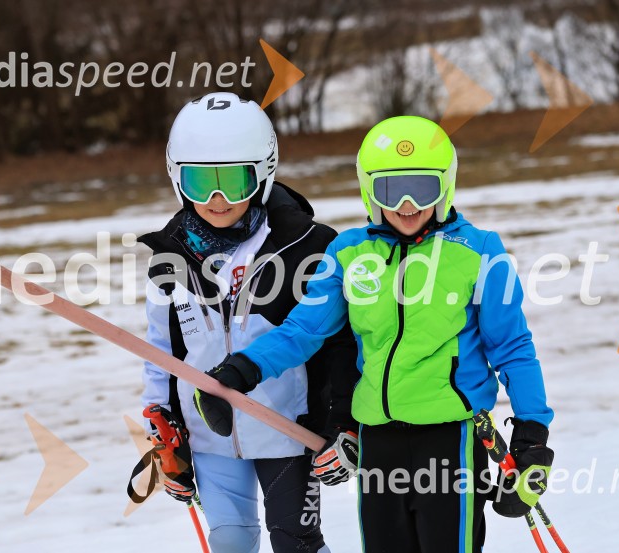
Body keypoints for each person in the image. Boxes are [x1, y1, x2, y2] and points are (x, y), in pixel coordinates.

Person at [194, 115, 555, 553]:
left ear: (445, 187)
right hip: (377, 442)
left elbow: (513, 349)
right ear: (370, 190)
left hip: (450, 439)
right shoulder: (349, 252)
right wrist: (240, 372)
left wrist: (532, 436)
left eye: (421, 188)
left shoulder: (480, 252)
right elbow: (303, 331)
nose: (406, 204)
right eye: (390, 189)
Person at [137, 92, 357, 553]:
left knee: (296, 541)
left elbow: (338, 344)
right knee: (232, 542)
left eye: (234, 182)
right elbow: (162, 347)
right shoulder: (170, 254)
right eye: (200, 183)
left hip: (288, 432)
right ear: (177, 178)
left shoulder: (308, 246)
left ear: (263, 174)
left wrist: (343, 423)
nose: (217, 199)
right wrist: (164, 421)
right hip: (207, 434)